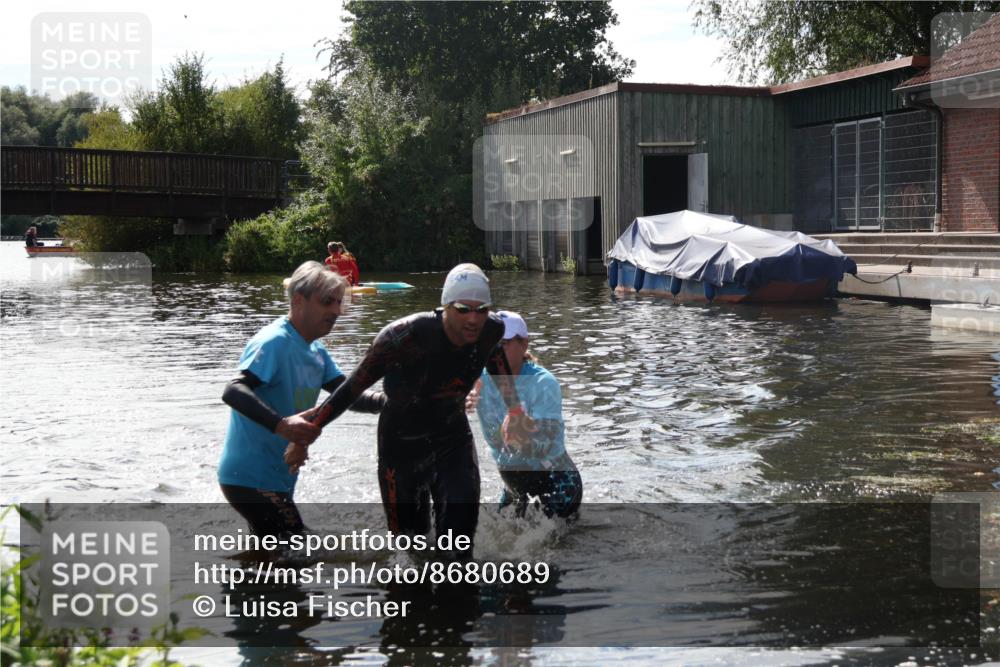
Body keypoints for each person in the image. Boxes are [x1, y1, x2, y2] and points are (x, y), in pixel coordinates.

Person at [285, 263, 528, 560]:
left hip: (452, 441)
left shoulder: (493, 330)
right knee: (411, 554)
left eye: (482, 309)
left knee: (460, 549)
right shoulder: (402, 338)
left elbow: (496, 363)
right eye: (463, 309)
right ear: (446, 306)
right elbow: (351, 387)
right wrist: (306, 435)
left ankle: (460, 602)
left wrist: (515, 410)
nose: (473, 319)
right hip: (401, 448)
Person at [218, 261, 385, 538]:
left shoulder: (315, 350)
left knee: (270, 556)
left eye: (338, 303)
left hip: (275, 476)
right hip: (249, 478)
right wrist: (282, 426)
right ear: (298, 300)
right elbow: (234, 390)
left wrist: (387, 402)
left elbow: (346, 394)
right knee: (298, 549)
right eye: (326, 302)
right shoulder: (274, 341)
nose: (335, 311)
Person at [467, 311, 582, 519]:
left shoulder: (543, 383)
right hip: (514, 486)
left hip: (557, 483)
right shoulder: (478, 378)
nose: (495, 352)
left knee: (552, 548)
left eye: (503, 343)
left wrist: (521, 430)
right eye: (491, 343)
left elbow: (545, 445)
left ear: (524, 344)